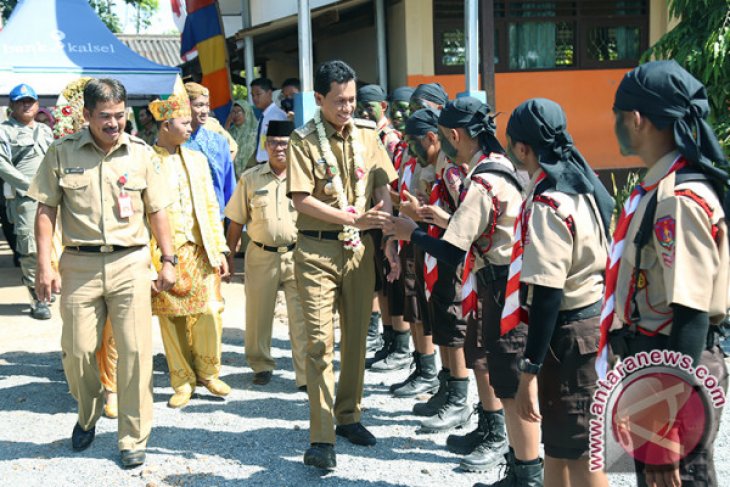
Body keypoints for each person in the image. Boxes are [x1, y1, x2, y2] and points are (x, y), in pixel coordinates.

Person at [29, 78, 176, 468]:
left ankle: (132, 437)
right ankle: (88, 411)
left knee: (135, 352)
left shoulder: (142, 154)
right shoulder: (62, 153)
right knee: (77, 352)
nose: (114, 123)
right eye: (105, 116)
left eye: (120, 115)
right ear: (87, 115)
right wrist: (46, 264)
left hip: (131, 262)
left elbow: (157, 210)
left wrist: (169, 259)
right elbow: (46, 210)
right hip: (79, 263)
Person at [601, 60, 730, 487]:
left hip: (674, 370)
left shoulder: (678, 200)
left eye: (618, 115)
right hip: (656, 366)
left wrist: (666, 422)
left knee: (679, 478)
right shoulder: (658, 191)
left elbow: (691, 316)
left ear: (636, 119)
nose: (617, 125)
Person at [389, 98, 526, 473]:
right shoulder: (486, 169)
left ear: (452, 135)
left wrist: (412, 232)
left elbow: (451, 252)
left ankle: (501, 440)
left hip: (497, 281)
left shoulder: (482, 179)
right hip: (491, 277)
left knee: (492, 363)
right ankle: (489, 426)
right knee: (480, 355)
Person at [493, 97, 613, 487]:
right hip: (587, 327)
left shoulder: (550, 202)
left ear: (523, 148)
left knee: (582, 452)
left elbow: (547, 295)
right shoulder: (582, 185)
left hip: (569, 336)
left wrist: (528, 371)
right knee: (560, 447)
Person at [287, 59, 399, 470]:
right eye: (339, 101)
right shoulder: (302, 140)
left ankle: (349, 415)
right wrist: (353, 218)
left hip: (360, 251)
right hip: (317, 250)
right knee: (320, 344)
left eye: (352, 99)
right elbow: (301, 199)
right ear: (319, 99)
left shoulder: (368, 136)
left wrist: (385, 228)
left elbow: (384, 184)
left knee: (356, 339)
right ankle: (321, 437)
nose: (348, 107)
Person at [147, 89, 232, 409]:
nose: (190, 127)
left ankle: (209, 371)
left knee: (211, 310)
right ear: (165, 125)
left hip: (201, 248)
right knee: (172, 320)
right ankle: (182, 380)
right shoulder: (147, 161)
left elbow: (212, 205)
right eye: (184, 122)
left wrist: (221, 249)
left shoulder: (197, 159)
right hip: (164, 252)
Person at [224, 120, 308, 390]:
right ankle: (261, 365)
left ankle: (306, 373)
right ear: (265, 145)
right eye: (273, 143)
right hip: (261, 255)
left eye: (284, 143)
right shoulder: (251, 178)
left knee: (302, 316)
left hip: (298, 256)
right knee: (258, 314)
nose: (279, 148)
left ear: (293, 146)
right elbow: (236, 221)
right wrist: (229, 255)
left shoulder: (305, 177)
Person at [0, 83, 54, 319]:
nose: (26, 104)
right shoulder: (4, 131)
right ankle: (37, 297)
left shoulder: (45, 130)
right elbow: (2, 165)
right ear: (11, 105)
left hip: (51, 196)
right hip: (25, 198)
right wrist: (30, 186)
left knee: (53, 245)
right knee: (30, 247)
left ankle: (48, 284)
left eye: (30, 100)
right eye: (21, 101)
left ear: (37, 104)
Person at [183, 82, 236, 219]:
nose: (205, 110)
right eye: (199, 105)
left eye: (207, 105)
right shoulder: (175, 142)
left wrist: (234, 225)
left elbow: (229, 186)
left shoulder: (219, 142)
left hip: (216, 218)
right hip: (185, 220)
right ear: (185, 106)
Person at [250, 77, 289, 167]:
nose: (255, 98)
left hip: (272, 165)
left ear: (270, 93)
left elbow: (280, 145)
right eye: (252, 95)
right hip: (263, 164)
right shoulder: (264, 116)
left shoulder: (277, 116)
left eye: (258, 94)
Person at [225, 99, 257, 180]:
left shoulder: (256, 131)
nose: (236, 115)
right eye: (233, 112)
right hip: (235, 179)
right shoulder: (230, 132)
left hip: (253, 176)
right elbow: (222, 146)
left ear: (247, 112)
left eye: (239, 111)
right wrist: (227, 123)